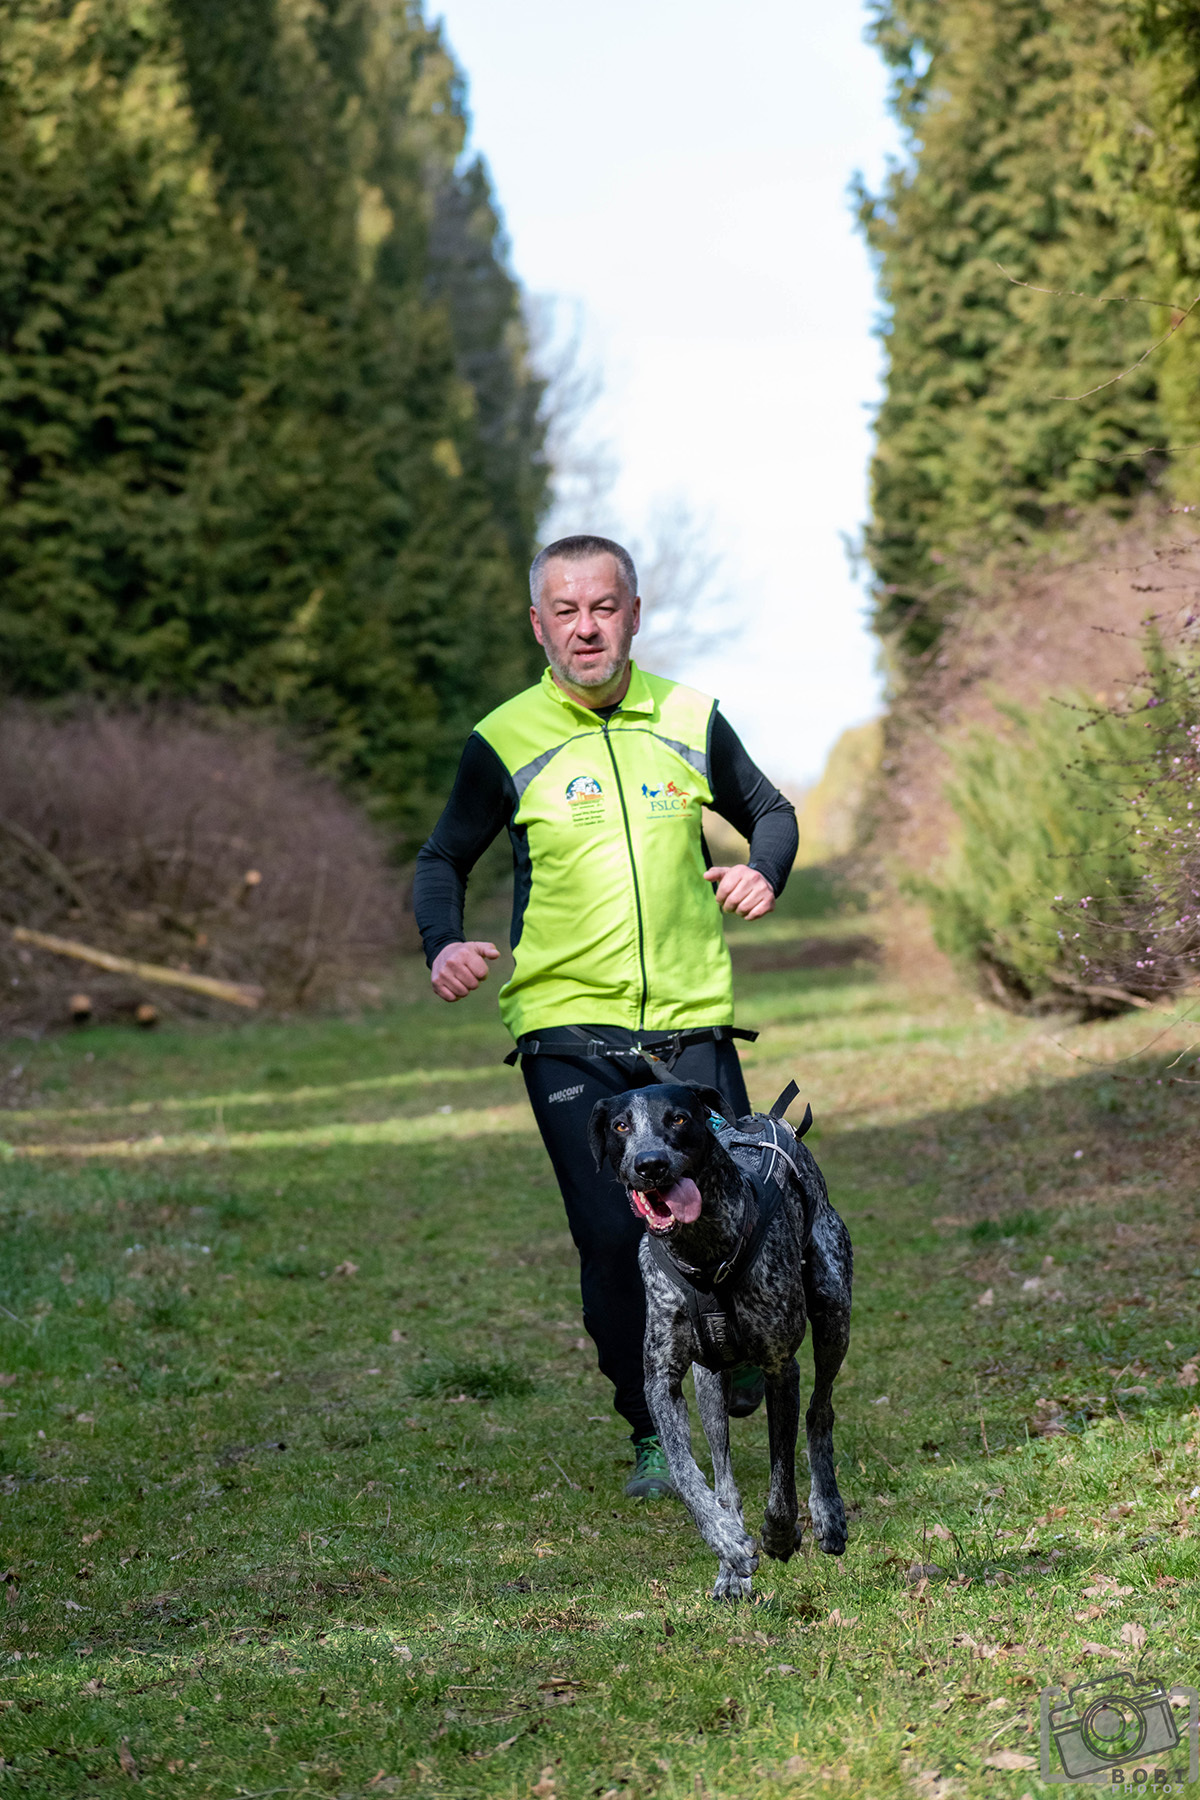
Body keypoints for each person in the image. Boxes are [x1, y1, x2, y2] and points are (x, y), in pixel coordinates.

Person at [413, 535, 798, 1497]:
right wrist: (443, 944)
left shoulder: (691, 717)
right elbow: (440, 859)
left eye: (604, 607)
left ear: (634, 610)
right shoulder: (504, 737)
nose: (587, 628)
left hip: (691, 1029)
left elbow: (772, 811)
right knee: (613, 1235)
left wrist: (764, 868)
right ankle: (650, 1433)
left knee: (736, 1215)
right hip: (568, 1035)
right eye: (566, 612)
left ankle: (742, 1352)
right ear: (539, 625)